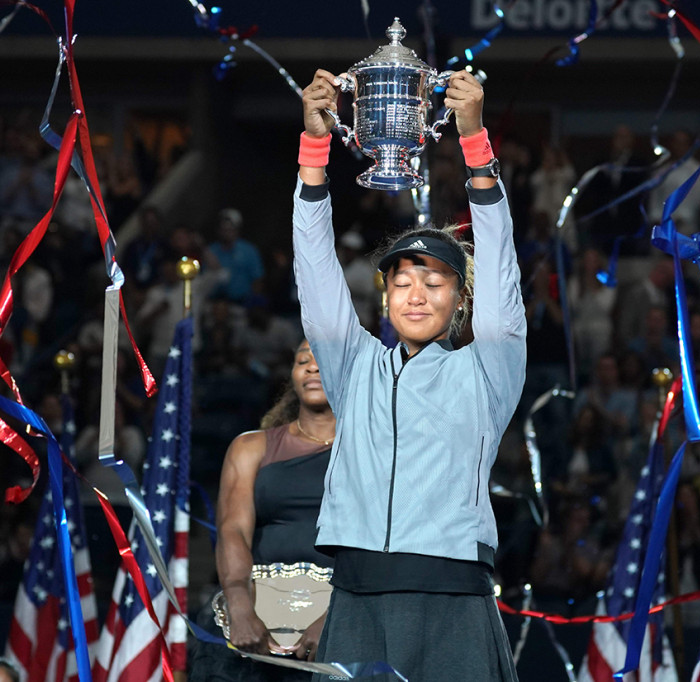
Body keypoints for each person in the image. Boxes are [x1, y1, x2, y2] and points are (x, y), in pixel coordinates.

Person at [294, 68, 524, 680]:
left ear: (459, 299)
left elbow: (500, 269)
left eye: (434, 281)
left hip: (453, 600)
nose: (416, 294)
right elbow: (315, 276)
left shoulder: (489, 368)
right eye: (401, 280)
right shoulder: (354, 365)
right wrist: (314, 153)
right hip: (359, 594)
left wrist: (475, 144)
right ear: (384, 296)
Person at [191, 340, 335, 681]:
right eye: (302, 361)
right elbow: (233, 529)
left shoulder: (376, 451)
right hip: (258, 603)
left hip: (345, 604)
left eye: (324, 361)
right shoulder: (251, 446)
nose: (312, 367)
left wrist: (337, 617)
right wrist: (239, 602)